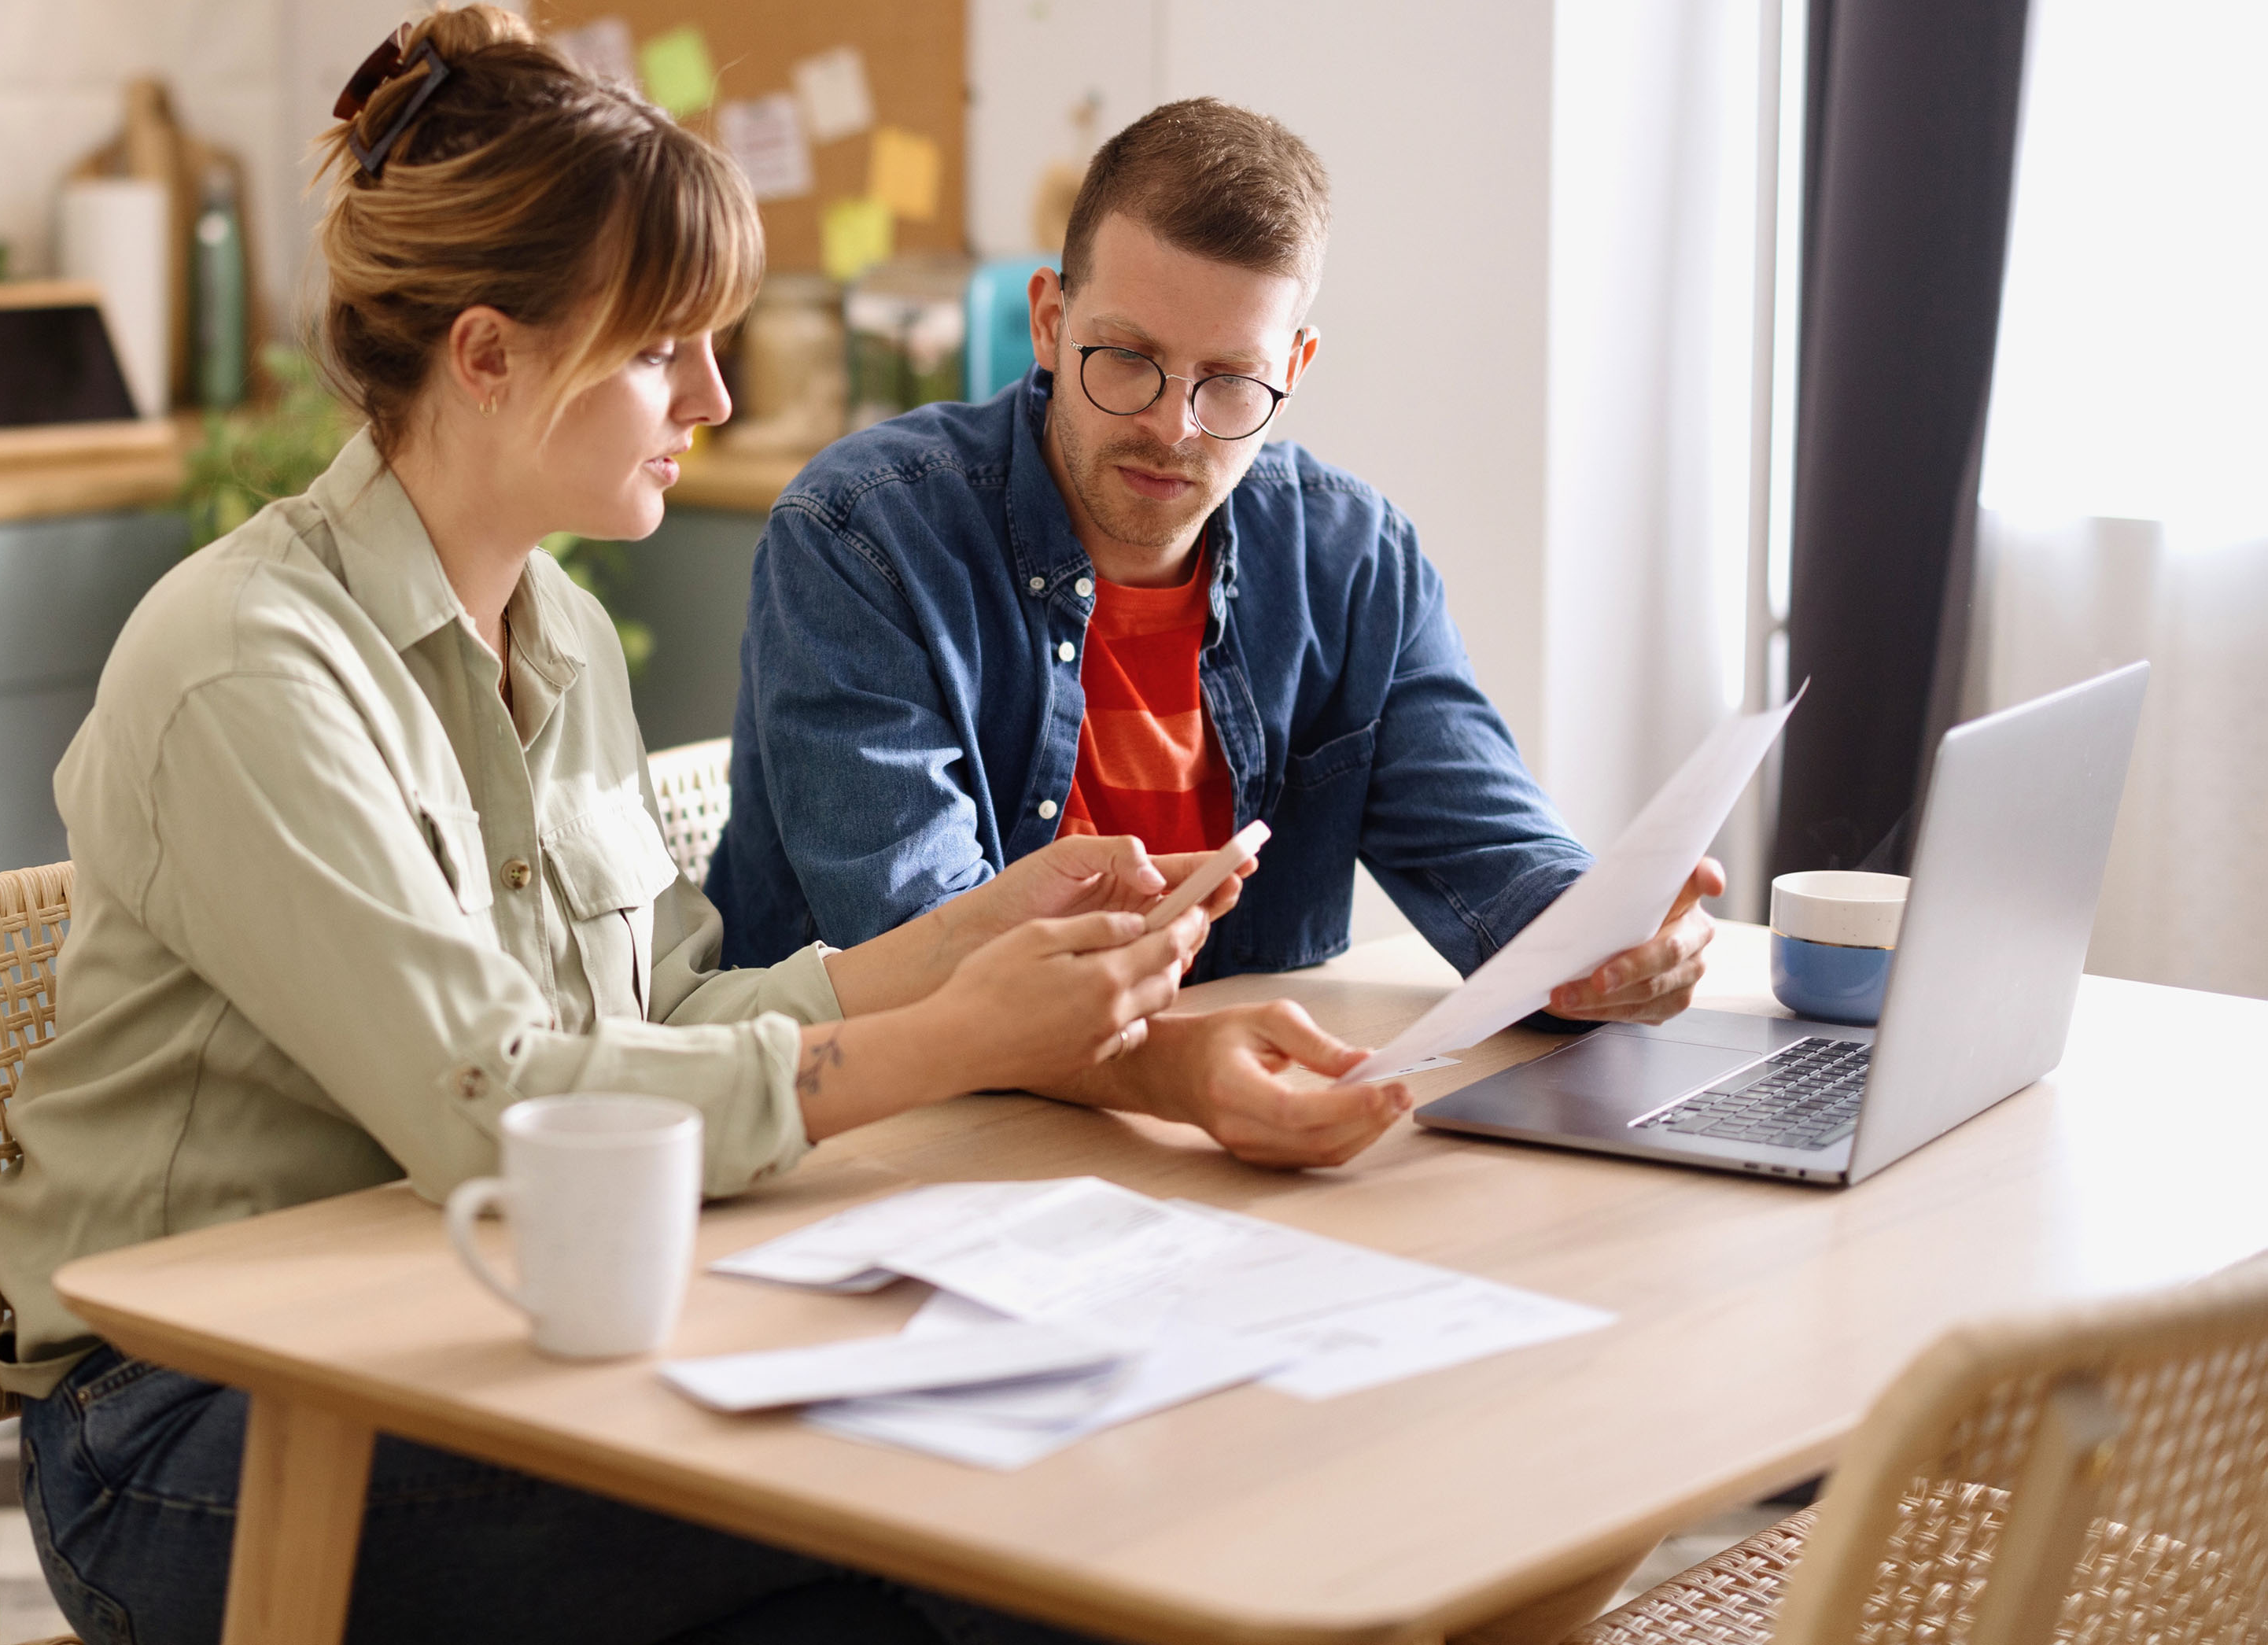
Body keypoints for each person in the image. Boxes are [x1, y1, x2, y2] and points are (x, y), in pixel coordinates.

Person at [0, 6, 1253, 1645]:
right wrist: (951, 1045)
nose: (713, 393)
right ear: (490, 353)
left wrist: (956, 945)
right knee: (953, 1526)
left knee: (942, 1562)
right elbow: (498, 1104)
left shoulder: (563, 634)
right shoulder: (245, 664)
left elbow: (646, 1024)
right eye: (664, 346)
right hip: (196, 1426)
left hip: (473, 1315)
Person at [708, 98, 1724, 1167]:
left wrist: (1608, 941)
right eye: (1126, 359)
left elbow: (1497, 859)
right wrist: (1174, 1072)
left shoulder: (1350, 558)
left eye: (1229, 381)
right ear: (1049, 320)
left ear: (1295, 366)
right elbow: (917, 951)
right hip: (876, 1146)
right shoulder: (863, 534)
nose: (1171, 425)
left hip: (1206, 1148)